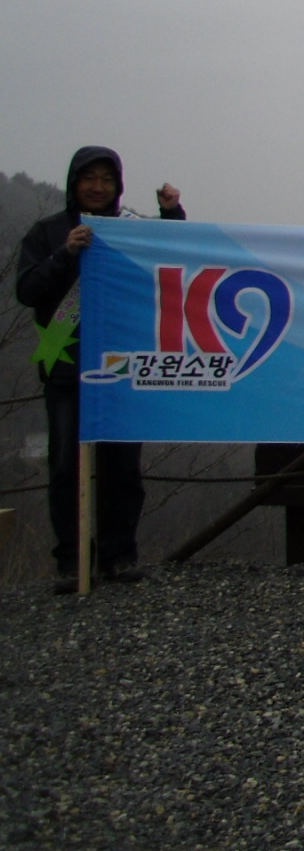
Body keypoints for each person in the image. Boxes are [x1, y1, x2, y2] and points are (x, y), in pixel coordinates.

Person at [17, 148, 184, 590]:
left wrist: (171, 214)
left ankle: (119, 555)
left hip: (121, 367)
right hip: (66, 368)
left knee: (122, 468)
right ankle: (72, 561)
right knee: (64, 467)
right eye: (89, 178)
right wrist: (66, 254)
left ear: (118, 186)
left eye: (106, 179)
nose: (97, 187)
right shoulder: (48, 231)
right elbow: (27, 290)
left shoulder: (128, 229)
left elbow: (170, 255)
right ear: (74, 182)